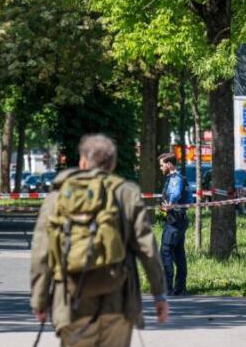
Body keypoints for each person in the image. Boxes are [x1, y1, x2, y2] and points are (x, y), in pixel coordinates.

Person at [31, 134, 169, 347]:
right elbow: (148, 249)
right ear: (112, 164)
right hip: (118, 302)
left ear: (82, 161)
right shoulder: (126, 194)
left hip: (70, 304)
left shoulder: (57, 197)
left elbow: (41, 253)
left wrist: (39, 300)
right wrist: (159, 295)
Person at [159, 152, 191, 296]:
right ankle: (180, 288)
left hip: (175, 220)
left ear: (169, 164)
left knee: (165, 251)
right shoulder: (179, 178)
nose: (161, 168)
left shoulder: (175, 179)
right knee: (178, 253)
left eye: (162, 165)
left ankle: (167, 288)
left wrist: (170, 204)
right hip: (179, 219)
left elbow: (176, 193)